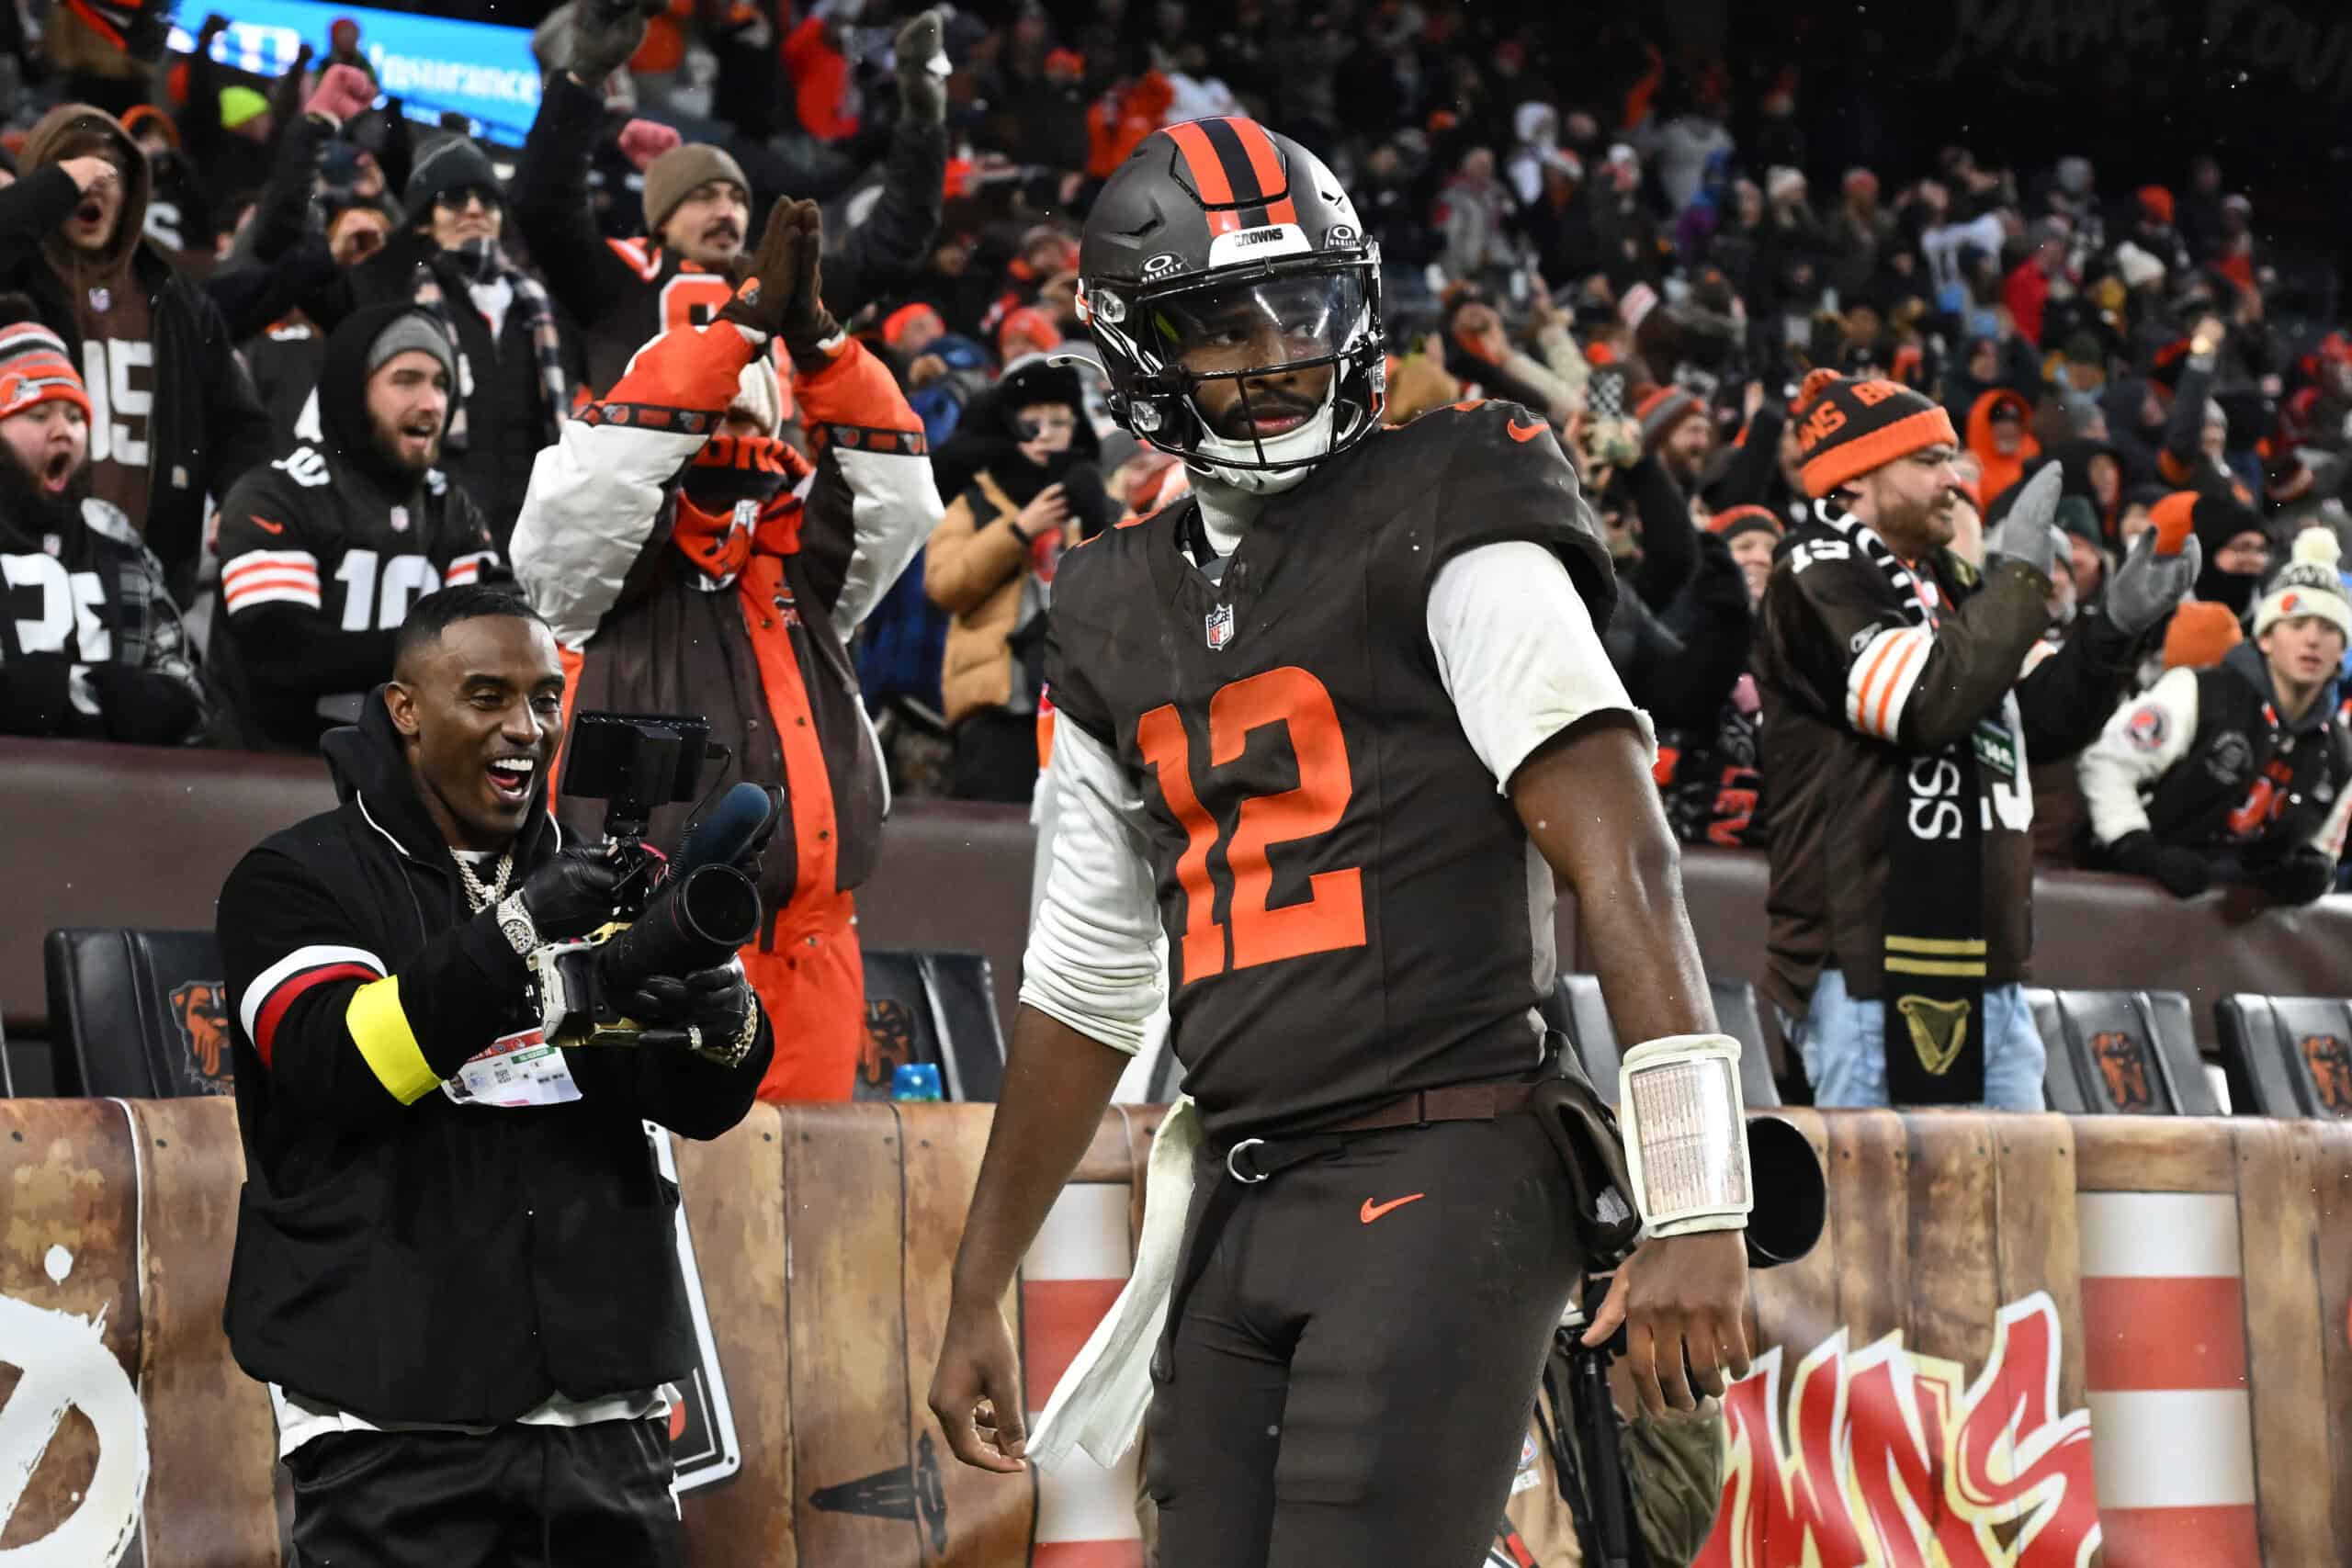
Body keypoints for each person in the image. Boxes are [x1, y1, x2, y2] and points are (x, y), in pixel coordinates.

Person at [929, 117, 1755, 1566]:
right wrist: (975, 1278)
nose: (1277, 355)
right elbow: (1085, 983)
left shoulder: (1453, 495)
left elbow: (1621, 853)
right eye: (1221, 326)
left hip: (1450, 1148)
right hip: (1247, 1184)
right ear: (1135, 351)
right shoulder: (1108, 605)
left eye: (1301, 308)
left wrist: (1696, 1193)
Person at [216, 585, 771, 1565]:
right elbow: (339, 1064)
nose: (526, 728)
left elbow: (698, 1102)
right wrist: (520, 931)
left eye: (546, 699)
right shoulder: (295, 879)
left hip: (608, 1420)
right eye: (487, 696)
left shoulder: (605, 882)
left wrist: (728, 1023)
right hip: (393, 1427)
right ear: (404, 709)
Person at [511, 199, 940, 1104]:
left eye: (753, 421)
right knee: (657, 1190)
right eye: (713, 419)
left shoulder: (808, 564)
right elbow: (599, 483)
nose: (734, 434)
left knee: (814, 1193)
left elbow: (901, 496)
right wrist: (735, 336)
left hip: (815, 961)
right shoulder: (595, 578)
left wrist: (821, 348)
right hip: (639, 958)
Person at [1754, 370, 2198, 1111]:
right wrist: (2019, 582)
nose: (1955, 479)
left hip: (1988, 967)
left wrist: (2111, 634)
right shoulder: (1814, 574)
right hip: (1862, 969)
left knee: (2012, 1189)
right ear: (1855, 476)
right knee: (1883, 1190)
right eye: (1928, 461)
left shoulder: (1950, 587)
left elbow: (2041, 722)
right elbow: (1921, 701)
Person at [511, 2, 948, 394]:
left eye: (737, 199)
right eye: (702, 197)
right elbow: (543, 204)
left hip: (764, 460)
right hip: (646, 460)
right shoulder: (615, 279)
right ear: (660, 216)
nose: (726, 211)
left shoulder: (783, 288)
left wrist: (922, 126)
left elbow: (894, 244)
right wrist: (584, 77)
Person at [0, 102, 271, 594]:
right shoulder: (13, 286)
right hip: (22, 578)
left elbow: (238, 424)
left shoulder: (178, 299)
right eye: (73, 164)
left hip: (147, 584)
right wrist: (57, 185)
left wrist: (241, 500)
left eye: (112, 170)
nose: (94, 182)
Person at [212, 305, 502, 750]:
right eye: (406, 380)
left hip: (403, 769)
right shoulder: (276, 495)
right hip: (275, 765)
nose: (431, 403)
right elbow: (281, 653)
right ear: (353, 390)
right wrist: (439, 653)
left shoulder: (452, 506)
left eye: (441, 383)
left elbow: (497, 635)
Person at [2079, 525, 2352, 903]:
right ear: (2266, 638)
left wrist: (2315, 869)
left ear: (2342, 650)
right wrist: (2137, 847)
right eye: (2297, 624)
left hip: (2234, 924)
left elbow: (2325, 844)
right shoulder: (2197, 691)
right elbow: (2107, 764)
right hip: (2129, 895)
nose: (2312, 639)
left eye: (2328, 628)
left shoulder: (2339, 749)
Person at [0, 300, 209, 741]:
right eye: (38, 415)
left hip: (111, 778)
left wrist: (158, 700)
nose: (64, 430)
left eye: (76, 416)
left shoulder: (111, 533)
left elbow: (181, 674)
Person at [924, 356, 1112, 802]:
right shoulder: (974, 502)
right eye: (1032, 424)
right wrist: (1018, 531)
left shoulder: (1096, 499)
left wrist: (1097, 521)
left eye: (1059, 423)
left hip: (1081, 708)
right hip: (999, 707)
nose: (1045, 435)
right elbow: (943, 587)